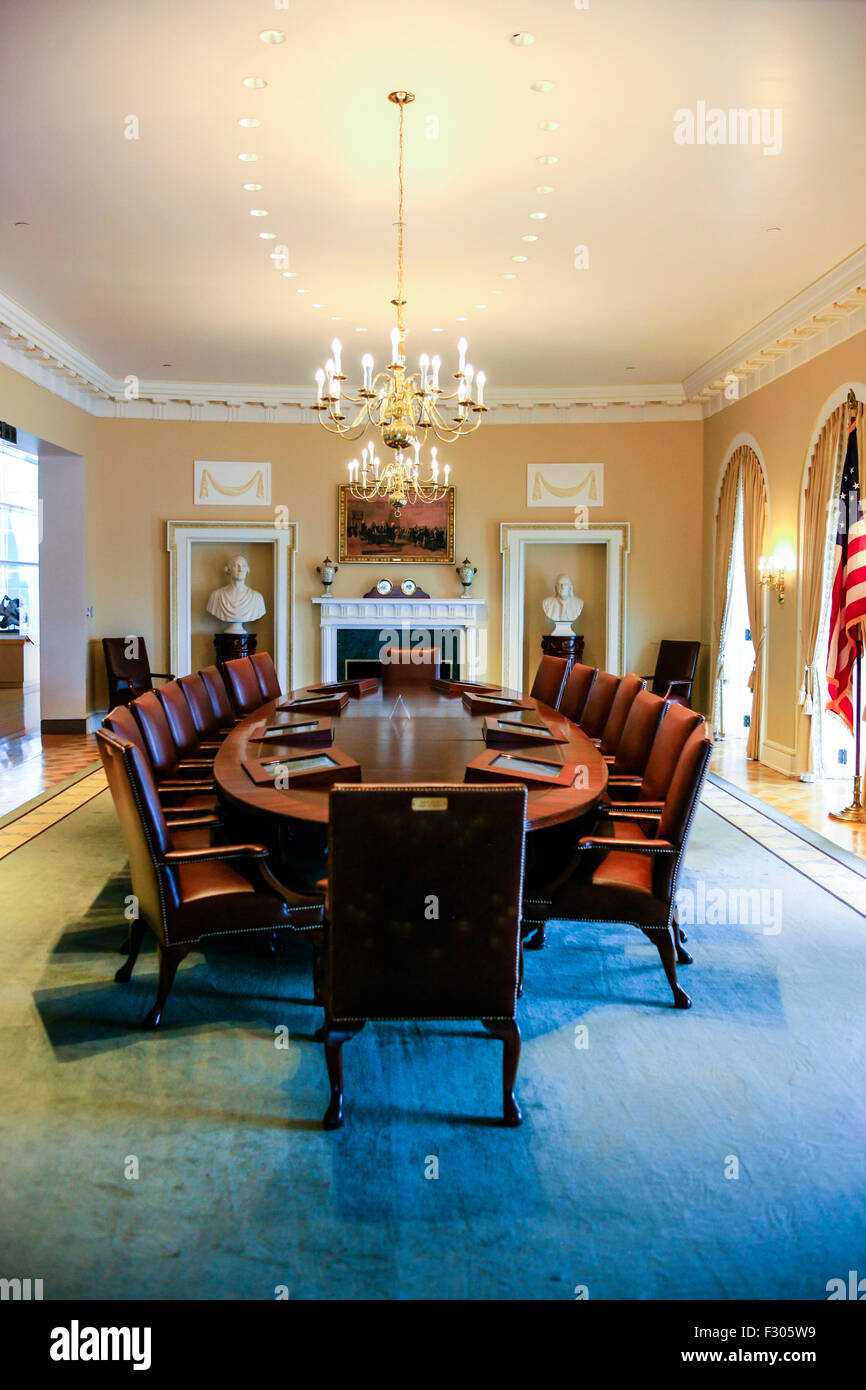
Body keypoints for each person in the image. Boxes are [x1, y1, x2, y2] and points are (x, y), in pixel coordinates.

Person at [206, 555, 266, 634]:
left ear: (248, 570)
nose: (240, 569)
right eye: (235, 566)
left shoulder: (257, 598)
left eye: (243, 566)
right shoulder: (216, 596)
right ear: (228, 570)